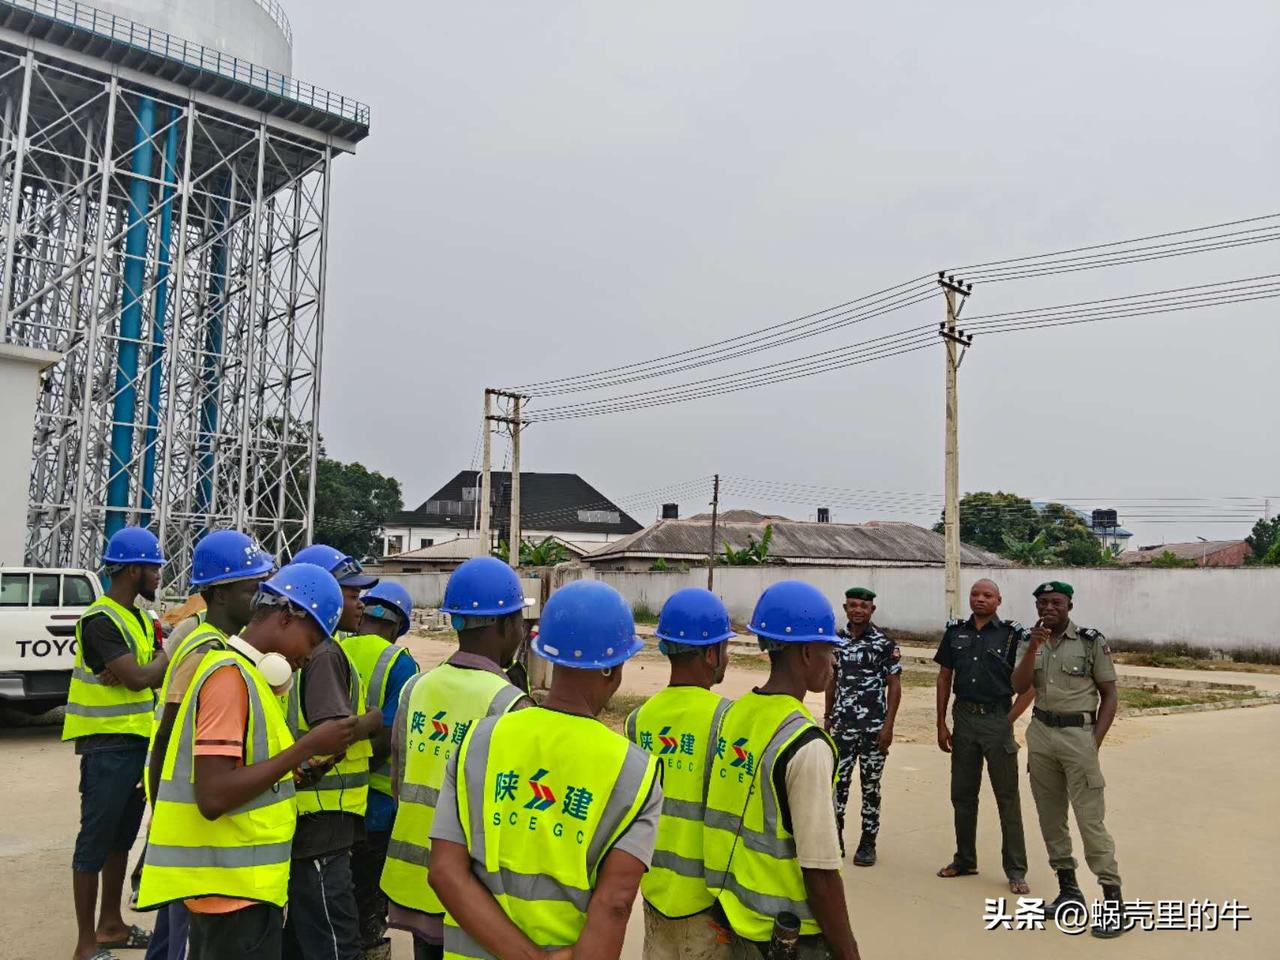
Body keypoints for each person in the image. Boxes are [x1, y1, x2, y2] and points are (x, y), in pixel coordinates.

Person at [428, 579, 662, 960]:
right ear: (611, 668)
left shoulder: (478, 741)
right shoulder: (635, 772)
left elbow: (444, 872)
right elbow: (615, 904)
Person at [137, 563, 360, 960]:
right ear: (287, 617)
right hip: (231, 900)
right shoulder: (229, 678)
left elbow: (250, 775)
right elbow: (214, 795)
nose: (309, 657)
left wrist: (297, 768)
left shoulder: (251, 679)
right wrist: (306, 747)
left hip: (246, 893)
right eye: (312, 640)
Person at [380, 556, 533, 960]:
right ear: (504, 625)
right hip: (472, 892)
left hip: (417, 880)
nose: (521, 631)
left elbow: (402, 781)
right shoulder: (509, 703)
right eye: (519, 621)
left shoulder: (416, 688)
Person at [704, 581, 862, 960]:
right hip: (787, 937)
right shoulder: (805, 743)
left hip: (736, 918)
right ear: (807, 653)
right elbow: (820, 873)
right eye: (829, 650)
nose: (833, 662)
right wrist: (849, 951)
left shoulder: (733, 714)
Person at [142, 530, 275, 960]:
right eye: (251, 588)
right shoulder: (205, 651)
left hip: (203, 826)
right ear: (219, 594)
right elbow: (166, 735)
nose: (260, 598)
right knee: (186, 939)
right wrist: (160, 818)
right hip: (196, 830)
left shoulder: (223, 646)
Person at [64, 526, 168, 960]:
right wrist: (155, 663)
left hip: (136, 742)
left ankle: (111, 926)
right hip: (106, 746)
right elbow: (141, 676)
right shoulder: (101, 619)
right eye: (153, 567)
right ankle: (86, 944)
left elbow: (144, 673)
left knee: (120, 840)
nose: (159, 575)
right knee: (95, 839)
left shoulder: (141, 619)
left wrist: (148, 666)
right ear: (131, 570)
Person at [281, 545, 384, 960]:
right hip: (321, 817)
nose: (360, 604)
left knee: (304, 931)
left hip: (318, 814)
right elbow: (331, 738)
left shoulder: (316, 649)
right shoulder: (323, 653)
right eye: (351, 594)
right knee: (334, 935)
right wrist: (373, 721)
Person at [1011, 581, 1126, 938]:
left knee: (1090, 820)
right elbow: (1019, 685)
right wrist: (1032, 647)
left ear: (1069, 605)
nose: (1048, 607)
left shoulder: (1091, 642)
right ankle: (1069, 891)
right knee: (1050, 817)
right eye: (1042, 602)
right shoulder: (1030, 640)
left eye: (1056, 602)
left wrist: (1095, 741)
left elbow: (1109, 695)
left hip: (1079, 736)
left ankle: (1113, 902)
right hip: (1042, 733)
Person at [625, 587, 734, 960]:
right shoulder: (727, 720)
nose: (727, 658)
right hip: (708, 906)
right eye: (725, 648)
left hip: (655, 895)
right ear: (709, 653)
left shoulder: (638, 721)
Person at [934, 578, 1036, 894]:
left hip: (996, 718)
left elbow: (1030, 683)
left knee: (1007, 798)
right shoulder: (955, 633)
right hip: (963, 718)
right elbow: (944, 677)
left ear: (998, 600)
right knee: (962, 795)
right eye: (976, 594)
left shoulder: (1012, 635)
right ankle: (964, 860)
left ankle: (1016, 870)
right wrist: (940, 723)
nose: (980, 599)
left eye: (987, 595)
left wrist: (1008, 720)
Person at [339, 581, 421, 960]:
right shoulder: (399, 663)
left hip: (325, 802)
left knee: (333, 898)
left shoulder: (331, 649)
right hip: (376, 806)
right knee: (368, 904)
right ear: (397, 625)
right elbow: (391, 735)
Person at [824, 586, 901, 867]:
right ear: (845, 608)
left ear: (872, 610)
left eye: (864, 606)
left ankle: (868, 844)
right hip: (843, 727)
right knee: (837, 786)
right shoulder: (836, 642)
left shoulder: (884, 644)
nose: (858, 610)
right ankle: (835, 839)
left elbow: (894, 686)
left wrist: (888, 726)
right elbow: (832, 680)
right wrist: (827, 716)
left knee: (871, 787)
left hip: (873, 729)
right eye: (853, 605)